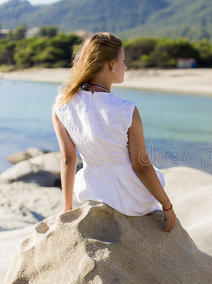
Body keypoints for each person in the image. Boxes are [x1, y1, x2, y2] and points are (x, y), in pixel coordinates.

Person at [51, 32, 176, 233]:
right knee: (157, 176)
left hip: (93, 191)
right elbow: (141, 166)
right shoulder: (126, 109)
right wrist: (167, 206)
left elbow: (68, 159)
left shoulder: (61, 105)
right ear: (111, 64)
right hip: (132, 197)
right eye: (123, 61)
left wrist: (67, 208)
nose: (125, 66)